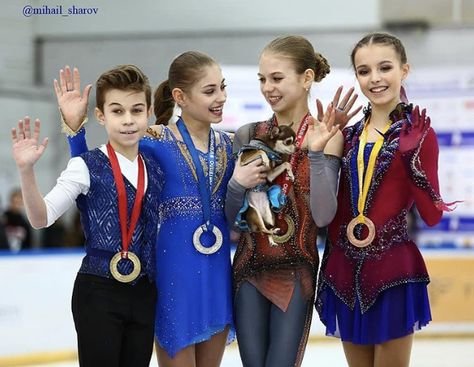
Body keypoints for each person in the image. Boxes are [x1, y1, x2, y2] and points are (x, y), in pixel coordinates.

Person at [60, 52, 258, 367]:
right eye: (210, 91)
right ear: (180, 97)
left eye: (222, 88)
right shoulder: (155, 141)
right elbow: (98, 172)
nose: (221, 97)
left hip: (217, 272)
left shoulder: (231, 146)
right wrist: (75, 133)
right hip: (172, 273)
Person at [314, 32, 455, 367]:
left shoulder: (419, 135)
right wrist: (318, 154)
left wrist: (412, 163)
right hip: (344, 271)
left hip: (393, 272)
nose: (375, 78)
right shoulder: (345, 135)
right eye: (364, 71)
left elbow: (432, 217)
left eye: (384, 67)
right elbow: (325, 211)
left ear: (404, 70)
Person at [12, 64, 163, 366]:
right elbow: (41, 218)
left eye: (136, 110)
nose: (129, 120)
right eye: (117, 111)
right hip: (98, 292)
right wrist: (26, 171)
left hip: (145, 291)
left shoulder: (156, 167)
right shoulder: (85, 165)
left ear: (149, 113)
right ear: (101, 116)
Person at [224, 35, 361, 367]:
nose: (268, 87)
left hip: (296, 271)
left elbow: (324, 215)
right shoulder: (248, 134)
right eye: (263, 79)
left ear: (307, 78)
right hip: (248, 269)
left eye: (277, 78)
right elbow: (234, 220)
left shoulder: (327, 136)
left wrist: (315, 154)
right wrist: (235, 185)